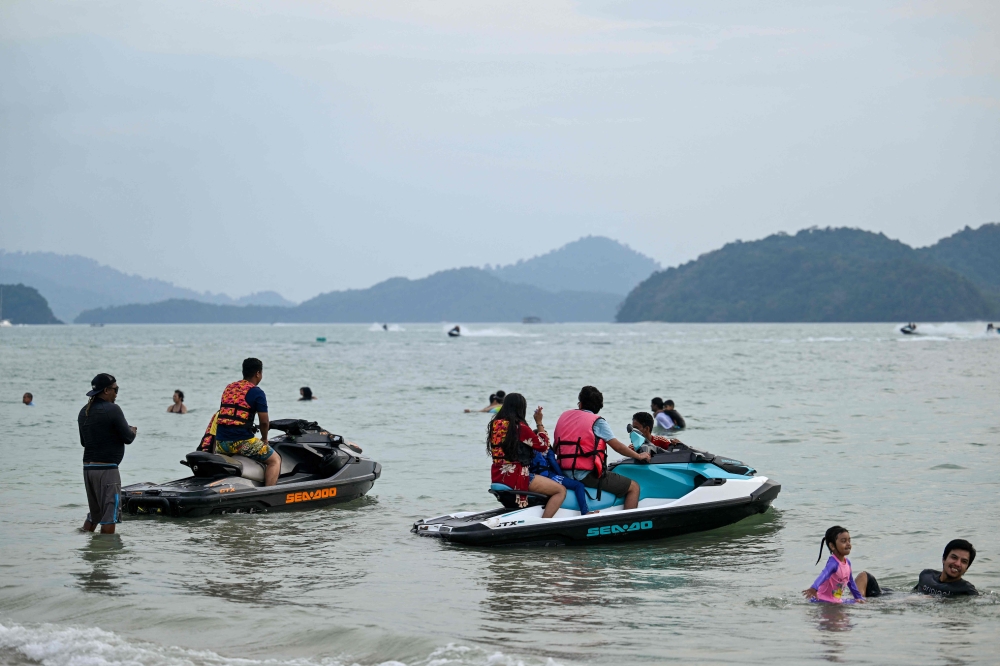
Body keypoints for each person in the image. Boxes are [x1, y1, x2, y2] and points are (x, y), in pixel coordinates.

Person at [554, 386, 650, 510]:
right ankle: (627, 524)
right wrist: (639, 455)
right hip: (585, 475)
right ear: (599, 407)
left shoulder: (564, 416)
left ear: (580, 404)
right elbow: (617, 446)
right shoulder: (597, 422)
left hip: (562, 471)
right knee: (634, 487)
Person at [487, 393, 566, 518]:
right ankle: (544, 523)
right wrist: (539, 422)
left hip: (497, 475)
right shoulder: (519, 427)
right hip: (516, 476)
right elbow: (543, 446)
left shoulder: (495, 425)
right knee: (560, 490)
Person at [78, 373, 137, 534]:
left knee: (95, 514)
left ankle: (84, 543)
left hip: (88, 470)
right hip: (107, 471)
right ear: (106, 390)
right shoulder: (113, 409)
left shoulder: (84, 411)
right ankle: (106, 553)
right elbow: (128, 437)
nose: (117, 393)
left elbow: (84, 442)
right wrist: (133, 430)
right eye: (115, 389)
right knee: (110, 515)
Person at [214, 358, 280, 486]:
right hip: (241, 442)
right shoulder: (257, 392)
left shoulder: (229, 388)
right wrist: (265, 438)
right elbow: (264, 422)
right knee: (275, 460)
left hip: (221, 443)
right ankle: (269, 493)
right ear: (258, 373)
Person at [802, 526, 865, 603]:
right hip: (822, 600)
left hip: (836, 600)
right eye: (843, 541)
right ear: (832, 546)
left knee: (864, 603)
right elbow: (824, 574)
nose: (848, 544)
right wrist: (814, 588)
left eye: (849, 540)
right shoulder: (834, 563)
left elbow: (851, 582)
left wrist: (859, 597)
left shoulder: (847, 563)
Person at [913, 539, 979, 596]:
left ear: (966, 568)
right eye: (954, 557)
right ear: (944, 559)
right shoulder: (926, 576)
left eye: (964, 561)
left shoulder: (967, 590)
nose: (958, 564)